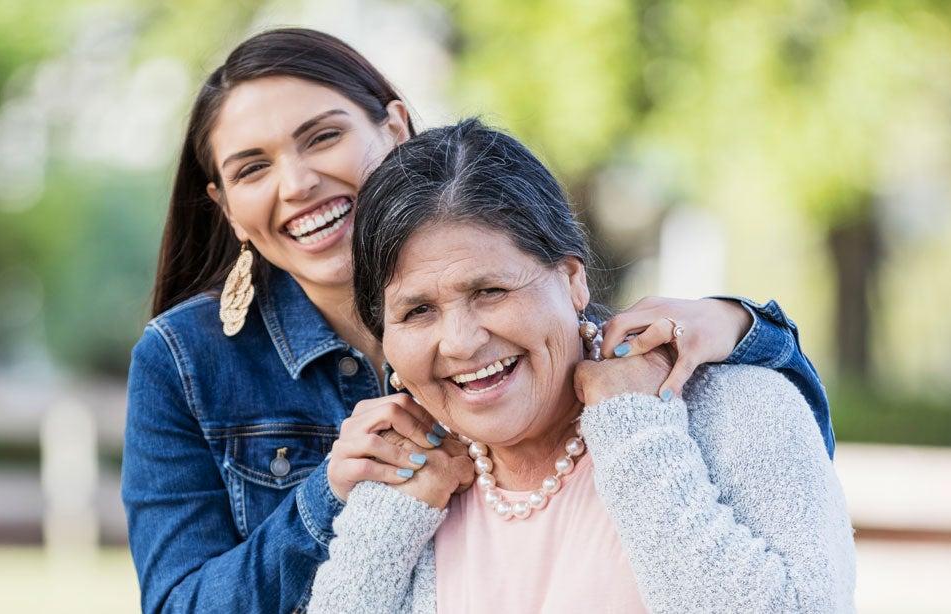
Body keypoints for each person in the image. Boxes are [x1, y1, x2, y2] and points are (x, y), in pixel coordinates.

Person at [123, 28, 835, 614]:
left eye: (322, 137)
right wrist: (330, 494)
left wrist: (743, 327)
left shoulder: (605, 362)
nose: (297, 183)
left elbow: (776, 462)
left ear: (394, 125)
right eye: (252, 169)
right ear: (224, 207)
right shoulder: (187, 358)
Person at [307, 119, 856, 613]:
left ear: (572, 279)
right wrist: (392, 518)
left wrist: (635, 427)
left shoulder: (738, 409)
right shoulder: (403, 476)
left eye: (491, 290)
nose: (460, 341)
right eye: (417, 311)